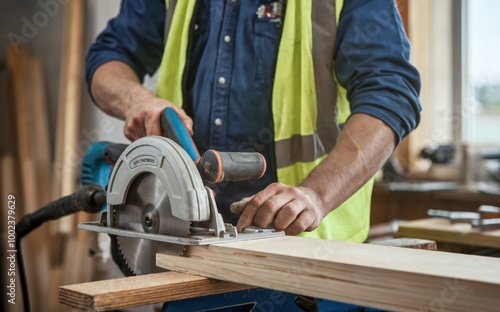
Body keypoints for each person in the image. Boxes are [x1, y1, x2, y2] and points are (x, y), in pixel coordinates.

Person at [86, 0, 421, 243]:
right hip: (182, 237)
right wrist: (137, 100)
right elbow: (109, 56)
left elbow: (389, 95)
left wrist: (316, 195)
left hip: (309, 251)